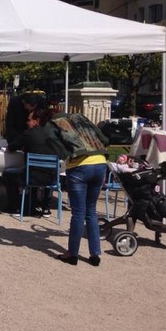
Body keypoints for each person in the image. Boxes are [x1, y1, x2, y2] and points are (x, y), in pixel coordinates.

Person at [48, 112, 109, 267]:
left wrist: (68, 156)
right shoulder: (81, 118)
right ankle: (95, 253)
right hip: (100, 161)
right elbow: (104, 139)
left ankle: (72, 253)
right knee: (91, 210)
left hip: (79, 166)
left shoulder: (53, 124)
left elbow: (55, 146)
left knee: (78, 212)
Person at [3, 107, 60, 216]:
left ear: (37, 121)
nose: (27, 122)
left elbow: (11, 147)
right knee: (44, 172)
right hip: (52, 177)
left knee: (8, 174)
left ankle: (14, 207)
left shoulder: (29, 133)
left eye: (29, 120)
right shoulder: (53, 134)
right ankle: (45, 207)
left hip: (33, 176)